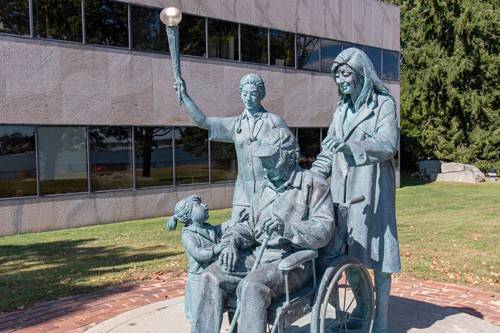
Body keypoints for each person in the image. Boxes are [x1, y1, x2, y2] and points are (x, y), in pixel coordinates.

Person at [189, 127, 335, 333]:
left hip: (294, 261)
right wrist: (232, 241)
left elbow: (324, 231)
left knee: (252, 286)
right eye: (263, 160)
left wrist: (286, 228)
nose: (264, 166)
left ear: (290, 157)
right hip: (258, 255)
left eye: (270, 159)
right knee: (210, 276)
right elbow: (249, 225)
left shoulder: (314, 185)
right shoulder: (264, 188)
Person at [311, 48, 401, 333]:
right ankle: (364, 309)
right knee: (348, 253)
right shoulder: (341, 109)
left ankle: (381, 323)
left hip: (373, 190)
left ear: (361, 74)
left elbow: (388, 143)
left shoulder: (383, 105)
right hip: (342, 191)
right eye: (337, 75)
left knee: (380, 255)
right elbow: (328, 149)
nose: (341, 80)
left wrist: (352, 148)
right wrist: (311, 177)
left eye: (346, 74)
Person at [175, 73, 290, 220]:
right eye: (245, 94)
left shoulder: (274, 122)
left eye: (253, 94)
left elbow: (291, 152)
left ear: (261, 95)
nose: (248, 98)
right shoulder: (235, 124)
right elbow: (203, 121)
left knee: (269, 233)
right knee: (236, 232)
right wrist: (184, 95)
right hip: (242, 193)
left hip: (270, 188)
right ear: (240, 94)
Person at [166, 195, 230, 321]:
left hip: (213, 276)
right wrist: (217, 248)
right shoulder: (188, 234)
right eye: (198, 205)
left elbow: (224, 227)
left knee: (213, 312)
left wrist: (236, 219)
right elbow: (198, 253)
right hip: (198, 280)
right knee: (199, 315)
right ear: (188, 214)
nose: (205, 205)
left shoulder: (209, 228)